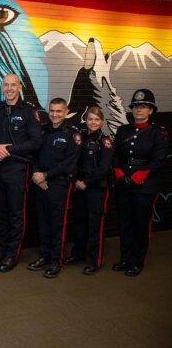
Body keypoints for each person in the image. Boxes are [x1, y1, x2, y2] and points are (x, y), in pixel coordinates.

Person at [0, 73, 42, 273]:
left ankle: (12, 254)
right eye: (6, 85)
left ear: (19, 87)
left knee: (15, 214)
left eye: (13, 85)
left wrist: (8, 150)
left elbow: (35, 142)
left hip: (17, 168)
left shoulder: (29, 111)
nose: (9, 88)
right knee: (0, 212)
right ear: (2, 87)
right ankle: (1, 250)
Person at [112, 89, 168, 276]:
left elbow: (157, 162)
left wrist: (135, 178)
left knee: (141, 225)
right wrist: (120, 175)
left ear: (150, 110)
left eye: (143, 107)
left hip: (145, 186)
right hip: (123, 184)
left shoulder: (158, 133)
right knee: (125, 223)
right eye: (136, 106)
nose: (138, 110)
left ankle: (137, 261)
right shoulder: (123, 130)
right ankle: (125, 258)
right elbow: (115, 156)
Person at [29, 98, 81, 278]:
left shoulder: (72, 134)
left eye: (59, 111)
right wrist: (37, 175)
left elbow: (69, 164)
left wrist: (45, 175)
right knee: (43, 223)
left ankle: (56, 260)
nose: (55, 114)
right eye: (52, 110)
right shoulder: (42, 131)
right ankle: (44, 256)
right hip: (41, 184)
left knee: (58, 225)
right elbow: (35, 156)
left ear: (66, 112)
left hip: (59, 185)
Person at [65, 107, 114, 275]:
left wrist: (86, 182)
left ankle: (94, 261)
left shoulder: (105, 141)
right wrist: (76, 180)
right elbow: (72, 160)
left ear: (101, 121)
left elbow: (104, 168)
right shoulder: (79, 137)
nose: (93, 122)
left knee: (95, 226)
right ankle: (78, 255)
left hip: (96, 187)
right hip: (79, 185)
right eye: (90, 119)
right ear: (85, 120)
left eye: (96, 119)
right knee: (80, 223)